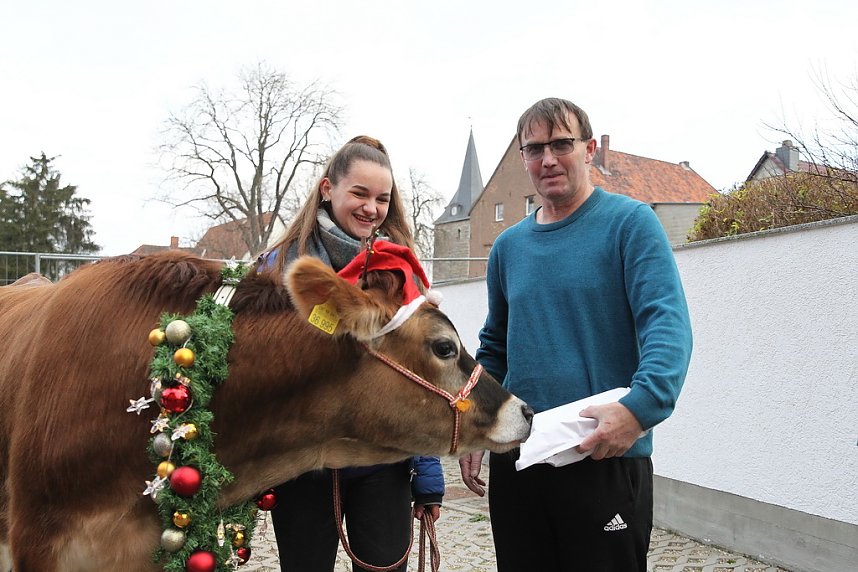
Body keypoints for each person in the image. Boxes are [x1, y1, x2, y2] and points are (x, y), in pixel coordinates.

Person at [458, 98, 693, 571]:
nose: (548, 159)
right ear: (523, 158)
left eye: (561, 144)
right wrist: (474, 424)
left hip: (603, 452)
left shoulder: (631, 225)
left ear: (588, 150)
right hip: (520, 458)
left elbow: (667, 327)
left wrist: (639, 411)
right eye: (534, 149)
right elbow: (495, 347)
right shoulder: (507, 248)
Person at [259, 135, 444, 572]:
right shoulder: (277, 266)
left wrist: (428, 475)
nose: (371, 208)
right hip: (302, 464)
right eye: (359, 193)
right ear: (328, 189)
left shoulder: (402, 271)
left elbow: (422, 375)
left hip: (383, 459)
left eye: (382, 198)